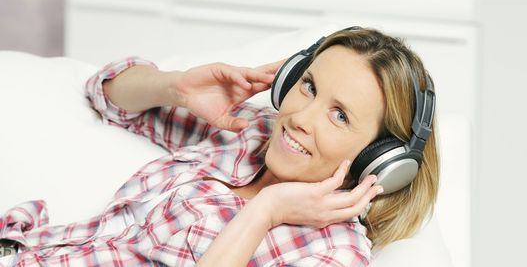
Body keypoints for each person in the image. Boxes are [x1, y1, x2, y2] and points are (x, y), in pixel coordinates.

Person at [0, 27, 439, 266]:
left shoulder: (331, 253)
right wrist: (176, 88)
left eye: (340, 115)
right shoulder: (246, 134)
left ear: (381, 161)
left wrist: (264, 212)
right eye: (308, 87)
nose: (300, 118)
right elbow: (108, 95)